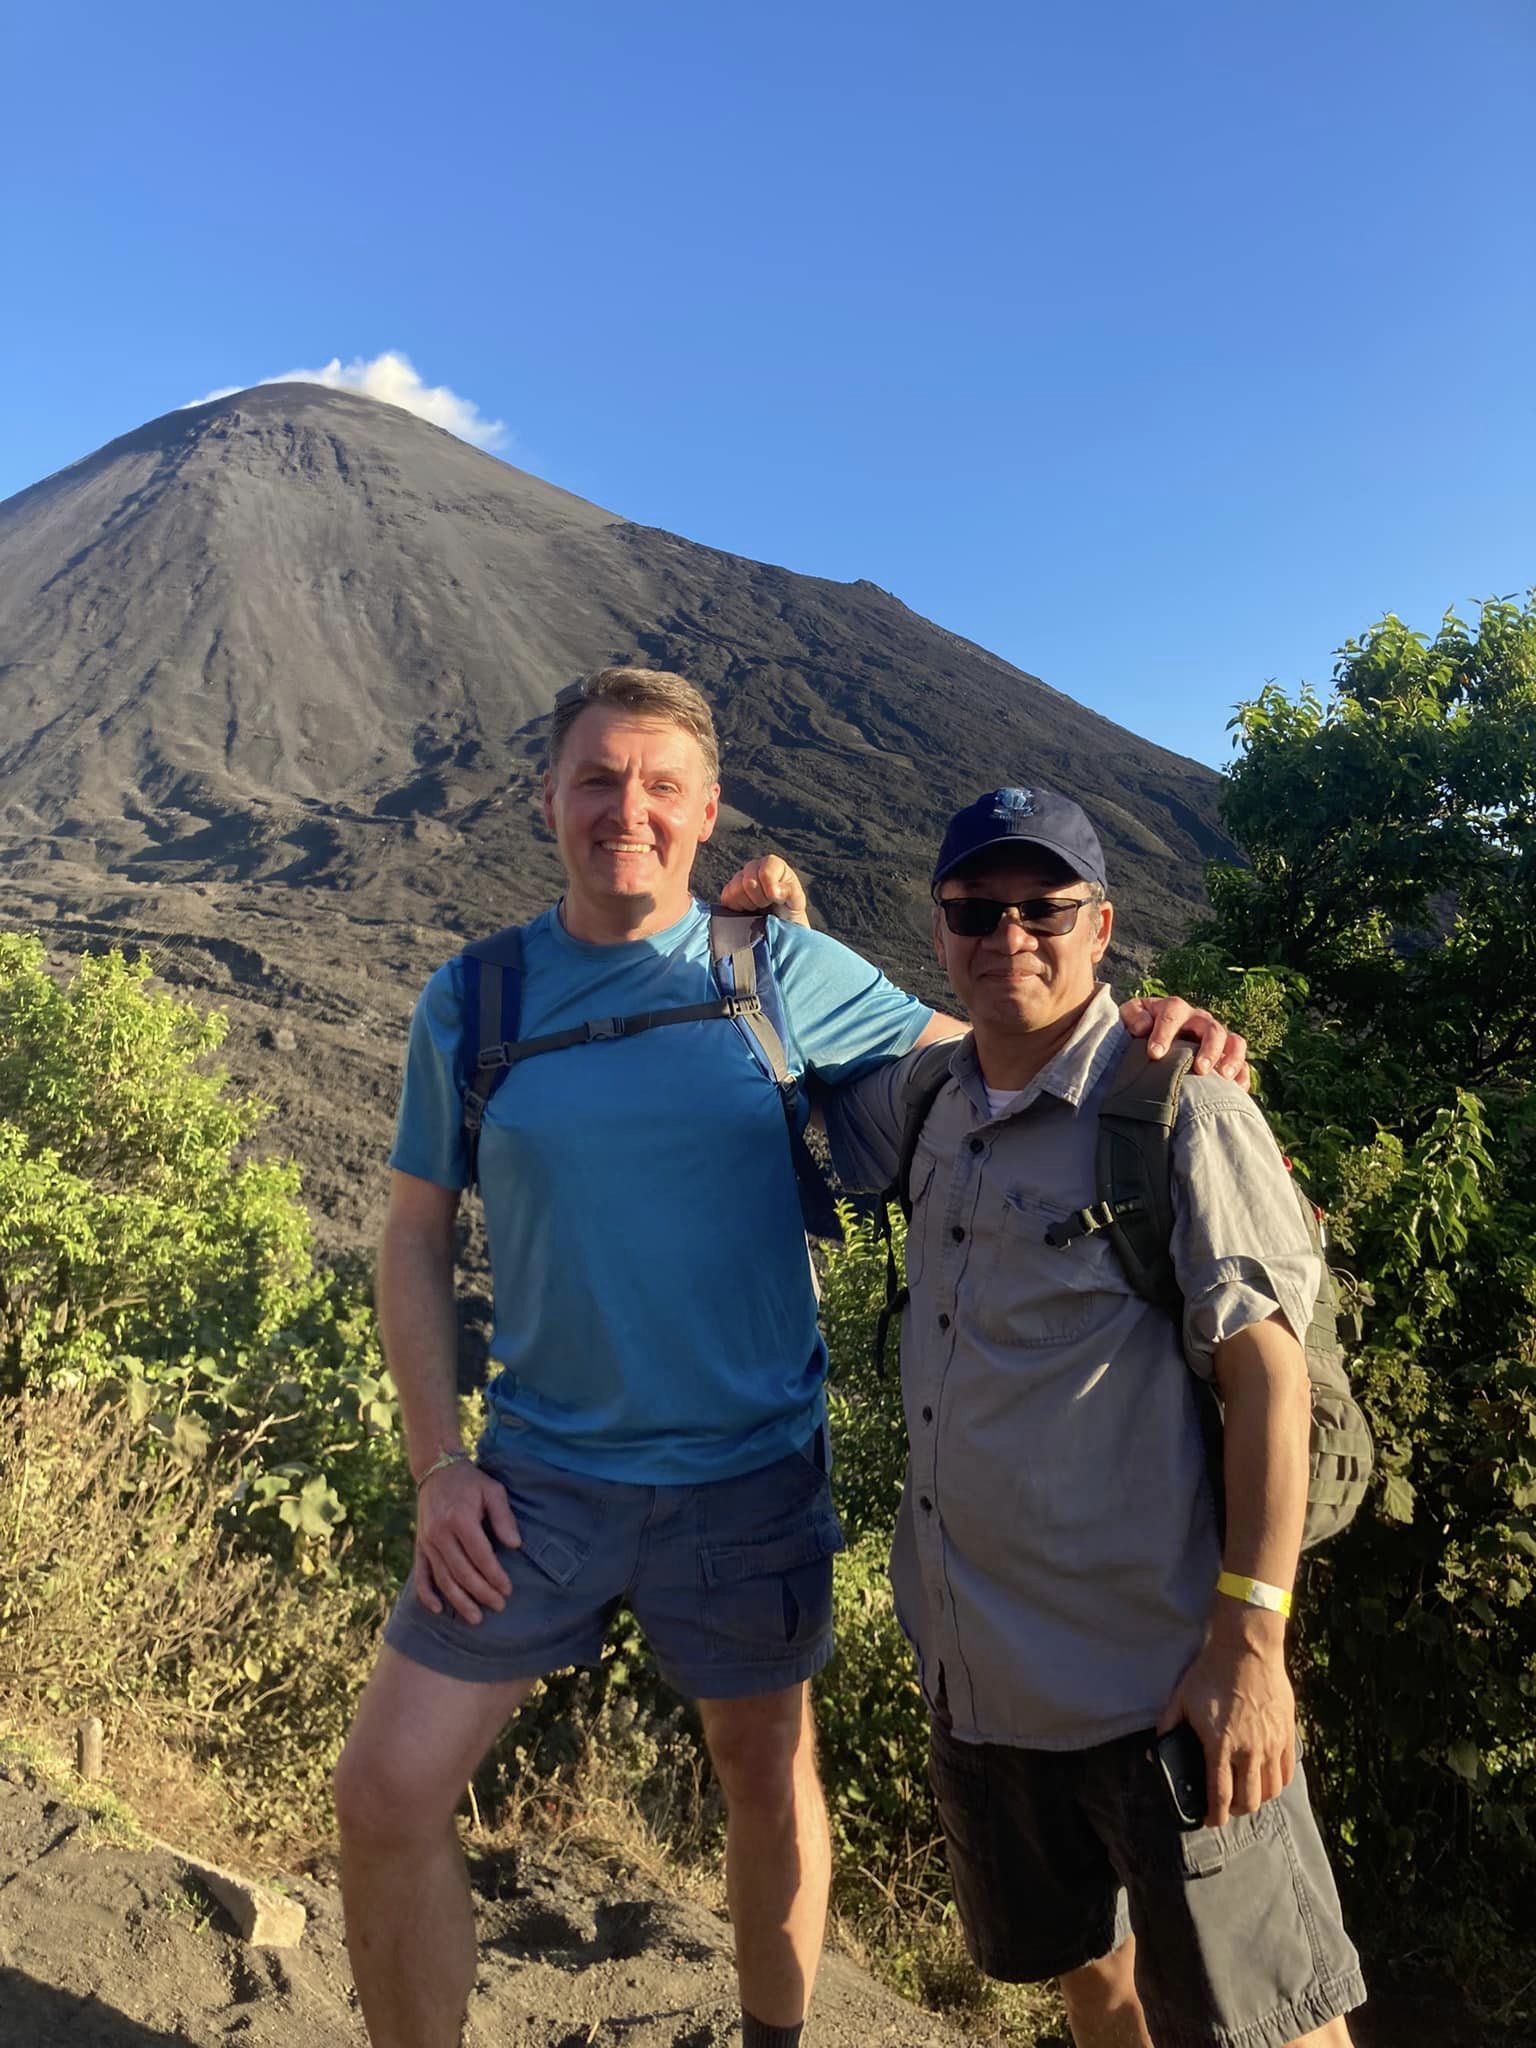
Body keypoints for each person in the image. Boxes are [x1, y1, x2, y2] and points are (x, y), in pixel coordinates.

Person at [333, 674, 1244, 2048]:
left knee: (764, 1772)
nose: (622, 810)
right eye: (594, 779)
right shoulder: (473, 999)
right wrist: (438, 1463)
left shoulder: (777, 970)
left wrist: (1169, 1056)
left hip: (747, 1477)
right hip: (533, 1478)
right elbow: (412, 1234)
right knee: (384, 1794)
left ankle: (775, 2038)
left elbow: (1005, 1061)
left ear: (704, 813)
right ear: (547, 797)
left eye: (656, 786)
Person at [817, 786, 1366, 2048]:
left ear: (1102, 923)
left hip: (1165, 1685)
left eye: (1044, 906)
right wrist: (763, 924)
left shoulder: (1181, 1106)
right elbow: (784, 1067)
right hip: (987, 1685)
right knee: (1092, 1976)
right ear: (940, 925)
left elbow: (1269, 1380)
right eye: (975, 906)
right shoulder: (933, 1103)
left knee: (1269, 2019)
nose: (1009, 930)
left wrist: (1253, 1648)